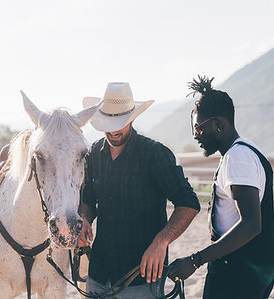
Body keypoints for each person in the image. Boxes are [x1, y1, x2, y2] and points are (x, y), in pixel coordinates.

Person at [79, 82, 200, 298]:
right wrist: (84, 219)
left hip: (142, 279)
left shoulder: (155, 154)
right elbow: (87, 199)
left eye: (120, 123)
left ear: (132, 119)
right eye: (108, 122)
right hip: (98, 275)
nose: (114, 130)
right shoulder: (94, 153)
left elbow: (189, 203)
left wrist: (161, 241)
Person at [168, 76, 274, 299]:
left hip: (238, 272)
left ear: (218, 124)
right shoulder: (247, 150)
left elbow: (250, 224)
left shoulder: (238, 157)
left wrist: (195, 260)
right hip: (248, 268)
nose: (196, 135)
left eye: (199, 127)